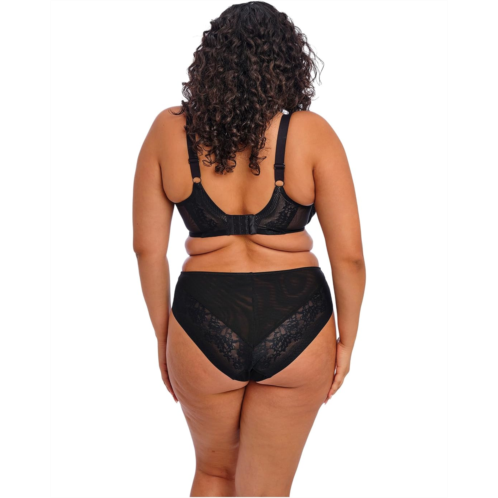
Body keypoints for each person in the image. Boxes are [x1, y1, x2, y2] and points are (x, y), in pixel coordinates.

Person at [133, 2, 366, 496]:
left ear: (209, 61)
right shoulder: (311, 133)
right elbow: (350, 257)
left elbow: (146, 250)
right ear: (288, 63)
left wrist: (164, 337)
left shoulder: (167, 131)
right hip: (298, 317)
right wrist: (347, 339)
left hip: (202, 318)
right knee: (266, 490)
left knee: (213, 474)